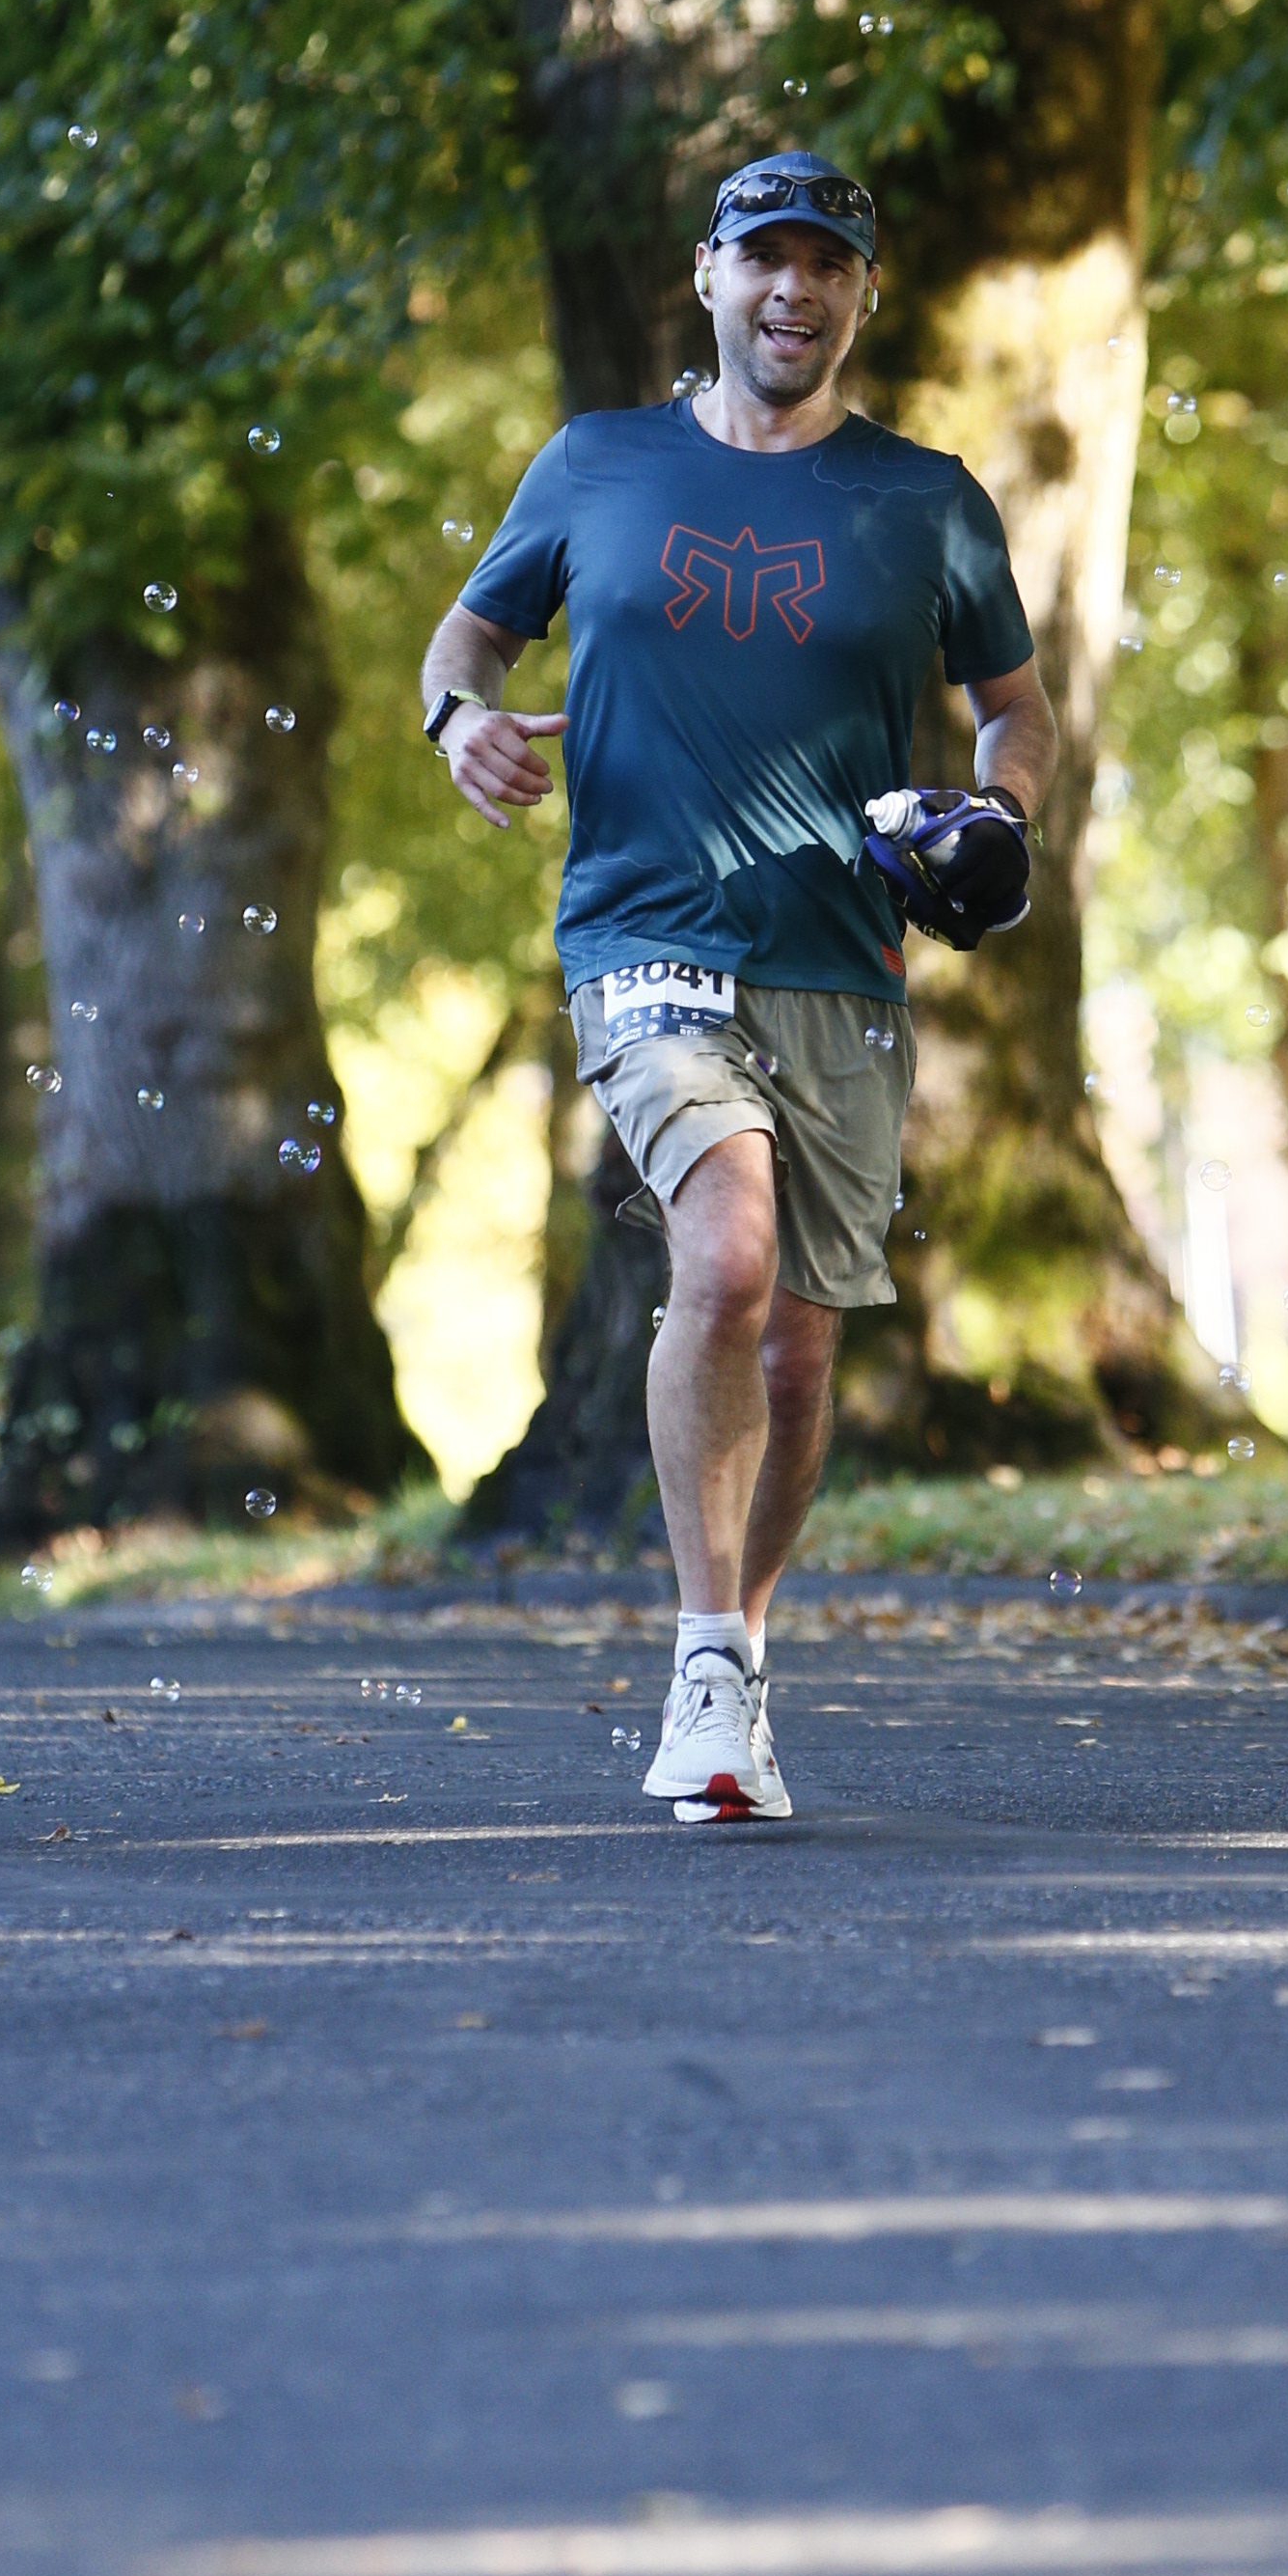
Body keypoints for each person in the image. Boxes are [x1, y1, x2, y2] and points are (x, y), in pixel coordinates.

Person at [422, 149, 1055, 1824]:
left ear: (865, 296)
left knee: (798, 1356)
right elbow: (466, 643)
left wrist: (1002, 811)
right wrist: (458, 719)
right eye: (765, 257)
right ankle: (702, 1660)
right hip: (645, 936)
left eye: (828, 264)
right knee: (727, 1253)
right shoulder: (597, 464)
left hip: (841, 963)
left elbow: (1015, 709)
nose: (795, 288)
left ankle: (742, 1657)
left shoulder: (926, 501)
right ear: (708, 277)